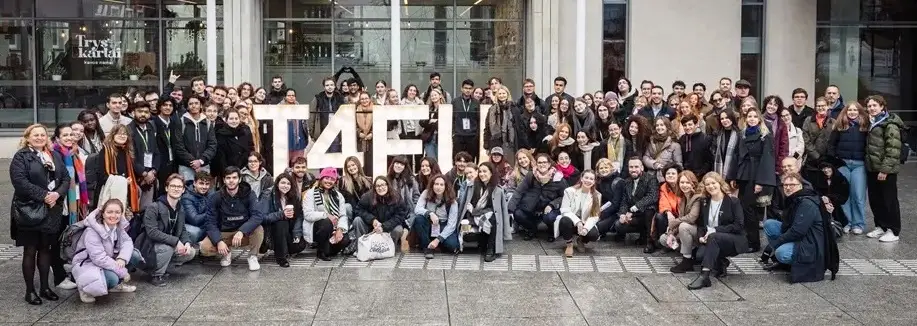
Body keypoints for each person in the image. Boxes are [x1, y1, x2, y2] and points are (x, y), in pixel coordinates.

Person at [11, 124, 71, 304]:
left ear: (47, 137)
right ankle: (30, 291)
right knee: (30, 250)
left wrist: (57, 194)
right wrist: (44, 196)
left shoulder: (54, 155)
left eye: (42, 135)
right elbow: (20, 182)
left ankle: (45, 288)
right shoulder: (21, 156)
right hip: (29, 210)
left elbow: (66, 178)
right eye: (35, 135)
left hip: (51, 210)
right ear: (27, 138)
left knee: (46, 249)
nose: (39, 138)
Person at [762, 172, 839, 283]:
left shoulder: (806, 203)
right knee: (770, 224)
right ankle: (783, 261)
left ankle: (790, 261)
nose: (788, 188)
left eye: (792, 185)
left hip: (811, 244)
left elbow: (797, 231)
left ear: (800, 186)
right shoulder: (795, 199)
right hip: (801, 236)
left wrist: (774, 244)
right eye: (785, 185)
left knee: (781, 253)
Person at [71, 199, 140, 303]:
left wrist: (122, 258)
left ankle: (116, 286)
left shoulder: (118, 227)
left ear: (121, 214)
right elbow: (99, 258)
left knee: (134, 255)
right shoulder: (92, 231)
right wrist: (121, 271)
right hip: (87, 263)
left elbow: (127, 242)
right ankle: (84, 290)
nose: (113, 215)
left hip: (106, 259)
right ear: (103, 214)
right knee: (112, 278)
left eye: (117, 212)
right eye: (109, 212)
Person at [728, 108, 777, 253]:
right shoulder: (742, 134)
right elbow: (736, 155)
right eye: (749, 116)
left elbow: (767, 159)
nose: (752, 119)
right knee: (743, 207)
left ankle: (754, 242)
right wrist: (732, 176)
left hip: (756, 174)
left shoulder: (765, 136)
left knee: (750, 209)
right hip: (743, 174)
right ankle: (747, 239)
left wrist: (760, 182)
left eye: (755, 116)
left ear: (760, 119)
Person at [687, 172, 747, 290]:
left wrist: (715, 230)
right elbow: (701, 225)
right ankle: (721, 262)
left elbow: (739, 225)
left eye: (713, 183)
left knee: (714, 238)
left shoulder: (733, 201)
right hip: (710, 238)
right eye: (707, 184)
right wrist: (701, 236)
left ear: (720, 183)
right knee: (699, 256)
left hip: (733, 239)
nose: (711, 186)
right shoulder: (705, 202)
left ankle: (704, 276)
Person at [134, 174, 197, 286]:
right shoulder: (154, 207)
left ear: (183, 190)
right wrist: (176, 242)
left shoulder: (180, 208)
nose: (176, 189)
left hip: (166, 244)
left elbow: (182, 229)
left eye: (179, 187)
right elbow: (152, 232)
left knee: (190, 252)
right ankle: (156, 275)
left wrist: (187, 242)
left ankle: (164, 267)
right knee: (167, 249)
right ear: (167, 188)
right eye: (173, 186)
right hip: (148, 247)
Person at [199, 167, 265, 271]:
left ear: (239, 179)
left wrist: (242, 231)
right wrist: (218, 241)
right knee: (204, 248)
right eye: (228, 178)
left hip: (243, 234)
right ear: (224, 180)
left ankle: (252, 256)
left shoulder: (249, 194)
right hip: (224, 233)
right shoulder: (216, 197)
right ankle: (226, 252)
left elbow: (257, 216)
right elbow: (210, 222)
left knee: (259, 229)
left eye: (234, 178)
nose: (231, 180)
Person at [863, 95, 904, 242]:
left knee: (889, 200)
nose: (871, 108)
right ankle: (881, 226)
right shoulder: (871, 122)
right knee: (876, 199)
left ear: (882, 106)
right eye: (869, 106)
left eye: (875, 105)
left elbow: (893, 149)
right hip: (872, 168)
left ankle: (893, 230)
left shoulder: (889, 124)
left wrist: (884, 170)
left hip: (885, 170)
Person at [827, 102, 868, 234]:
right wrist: (835, 161)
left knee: (858, 195)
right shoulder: (840, 126)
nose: (852, 112)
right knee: (844, 195)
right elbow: (831, 145)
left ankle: (858, 224)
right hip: (843, 164)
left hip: (859, 165)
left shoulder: (865, 126)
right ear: (845, 112)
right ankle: (847, 222)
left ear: (860, 111)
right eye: (849, 110)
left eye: (855, 110)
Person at [508, 153, 568, 241]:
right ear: (536, 164)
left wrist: (552, 205)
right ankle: (532, 229)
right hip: (532, 206)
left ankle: (551, 230)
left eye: (544, 162)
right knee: (518, 213)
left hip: (548, 208)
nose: (542, 164)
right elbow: (519, 191)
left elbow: (565, 196)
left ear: (549, 164)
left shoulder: (558, 178)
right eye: (539, 162)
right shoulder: (531, 175)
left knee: (549, 217)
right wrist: (510, 209)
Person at [86, 124, 142, 216]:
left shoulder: (127, 151)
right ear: (113, 135)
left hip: (126, 191)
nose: (122, 136)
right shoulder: (105, 150)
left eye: (125, 134)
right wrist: (123, 181)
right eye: (119, 133)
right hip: (108, 191)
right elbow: (102, 175)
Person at [461, 162, 510, 262]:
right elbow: (466, 205)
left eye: (485, 171)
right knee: (489, 219)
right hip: (473, 217)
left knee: (493, 218)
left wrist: (477, 212)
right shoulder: (473, 186)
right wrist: (474, 212)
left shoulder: (497, 189)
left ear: (491, 173)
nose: (482, 174)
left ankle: (490, 249)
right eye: (480, 171)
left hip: (487, 217)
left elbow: (496, 211)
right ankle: (483, 242)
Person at [303, 168, 352, 261]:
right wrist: (326, 215)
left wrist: (340, 229)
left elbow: (342, 215)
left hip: (334, 226)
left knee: (345, 240)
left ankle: (327, 249)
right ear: (321, 179)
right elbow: (308, 215)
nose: (329, 181)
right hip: (317, 227)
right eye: (326, 178)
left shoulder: (338, 195)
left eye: (332, 179)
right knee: (326, 222)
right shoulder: (311, 193)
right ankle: (321, 251)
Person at [612, 157, 659, 252]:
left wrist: (634, 208)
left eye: (636, 167)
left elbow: (652, 196)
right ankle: (642, 233)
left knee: (649, 210)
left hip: (647, 214)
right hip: (635, 216)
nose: (633, 169)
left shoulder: (651, 179)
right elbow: (624, 201)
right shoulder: (627, 181)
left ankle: (650, 242)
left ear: (642, 168)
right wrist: (622, 214)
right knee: (619, 225)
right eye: (631, 167)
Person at [260, 173, 306, 266]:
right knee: (281, 222)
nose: (285, 186)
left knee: (300, 245)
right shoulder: (267, 195)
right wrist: (281, 214)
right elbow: (262, 217)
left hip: (288, 231)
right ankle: (281, 258)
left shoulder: (293, 196)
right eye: (283, 183)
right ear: (277, 184)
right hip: (272, 231)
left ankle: (283, 248)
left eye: (288, 184)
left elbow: (299, 216)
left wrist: (297, 233)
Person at [353, 176, 411, 251]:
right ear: (374, 188)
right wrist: (372, 220)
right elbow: (359, 210)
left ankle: (390, 248)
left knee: (398, 229)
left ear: (388, 185)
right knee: (357, 220)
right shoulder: (367, 197)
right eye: (378, 186)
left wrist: (384, 226)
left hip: (389, 226)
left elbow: (401, 215)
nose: (380, 188)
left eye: (383, 185)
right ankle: (361, 248)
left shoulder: (396, 197)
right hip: (371, 226)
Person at [413, 174, 460, 258]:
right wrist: (430, 213)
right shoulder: (426, 193)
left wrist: (438, 240)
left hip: (443, 225)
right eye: (436, 184)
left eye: (441, 185)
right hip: (429, 223)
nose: (438, 187)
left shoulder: (452, 201)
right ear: (432, 185)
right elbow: (417, 209)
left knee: (452, 246)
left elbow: (451, 225)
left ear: (446, 186)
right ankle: (427, 247)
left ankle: (436, 242)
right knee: (418, 219)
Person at [557, 170, 602, 257]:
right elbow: (564, 210)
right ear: (581, 178)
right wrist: (578, 222)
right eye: (586, 177)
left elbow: (595, 216)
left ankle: (581, 240)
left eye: (591, 179)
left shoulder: (597, 195)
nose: (588, 180)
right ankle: (569, 244)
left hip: (585, 221)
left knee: (594, 235)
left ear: (594, 182)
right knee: (564, 220)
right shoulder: (569, 191)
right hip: (571, 220)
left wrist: (586, 228)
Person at [172, 95, 217, 182]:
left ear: (201, 105)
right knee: (187, 189)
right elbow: (178, 146)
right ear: (187, 106)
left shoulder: (207, 123)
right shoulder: (181, 122)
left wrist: (201, 160)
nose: (194, 106)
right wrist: (193, 162)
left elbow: (212, 145)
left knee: (204, 189)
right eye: (191, 104)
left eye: (196, 103)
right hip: (186, 167)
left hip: (204, 165)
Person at [667, 171, 704, 273]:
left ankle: (687, 260)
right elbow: (681, 217)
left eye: (688, 182)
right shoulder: (683, 198)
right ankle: (692, 252)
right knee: (664, 239)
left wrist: (674, 222)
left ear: (693, 183)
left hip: (698, 231)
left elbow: (692, 218)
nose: (684, 185)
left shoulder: (697, 197)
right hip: (687, 231)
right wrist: (671, 233)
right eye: (682, 182)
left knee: (683, 226)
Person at [213, 108, 255, 179]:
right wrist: (226, 173)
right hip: (229, 171)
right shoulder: (220, 134)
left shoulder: (245, 130)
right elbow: (221, 157)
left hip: (245, 170)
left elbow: (251, 148)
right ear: (226, 120)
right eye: (231, 119)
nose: (234, 121)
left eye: (236, 118)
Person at [484, 85, 521, 161]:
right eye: (500, 94)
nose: (502, 95)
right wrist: (486, 145)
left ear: (507, 94)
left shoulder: (514, 109)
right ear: (497, 95)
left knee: (510, 164)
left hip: (511, 142)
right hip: (495, 142)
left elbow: (519, 127)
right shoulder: (492, 109)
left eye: (504, 93)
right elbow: (487, 128)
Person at [642, 117, 683, 182]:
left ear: (667, 126)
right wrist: (654, 164)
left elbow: (678, 165)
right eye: (657, 125)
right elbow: (645, 157)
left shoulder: (675, 145)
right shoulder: (652, 142)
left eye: (662, 125)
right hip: (650, 177)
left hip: (665, 178)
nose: (659, 127)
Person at [180, 171, 212, 243]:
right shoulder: (186, 197)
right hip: (189, 226)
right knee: (196, 232)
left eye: (207, 184)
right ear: (194, 183)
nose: (204, 187)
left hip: (203, 224)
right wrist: (212, 212)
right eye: (201, 183)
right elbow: (195, 220)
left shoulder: (210, 194)